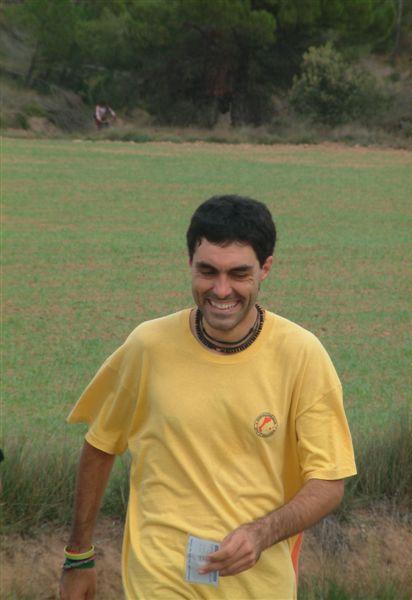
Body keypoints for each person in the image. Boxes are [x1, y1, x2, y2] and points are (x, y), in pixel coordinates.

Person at [60, 195, 356, 600]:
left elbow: (328, 482)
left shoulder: (302, 355)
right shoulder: (148, 346)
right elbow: (100, 446)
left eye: (239, 273)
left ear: (266, 268)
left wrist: (261, 533)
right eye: (207, 271)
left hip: (258, 586)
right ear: (189, 264)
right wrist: (78, 556)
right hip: (158, 579)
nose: (221, 289)